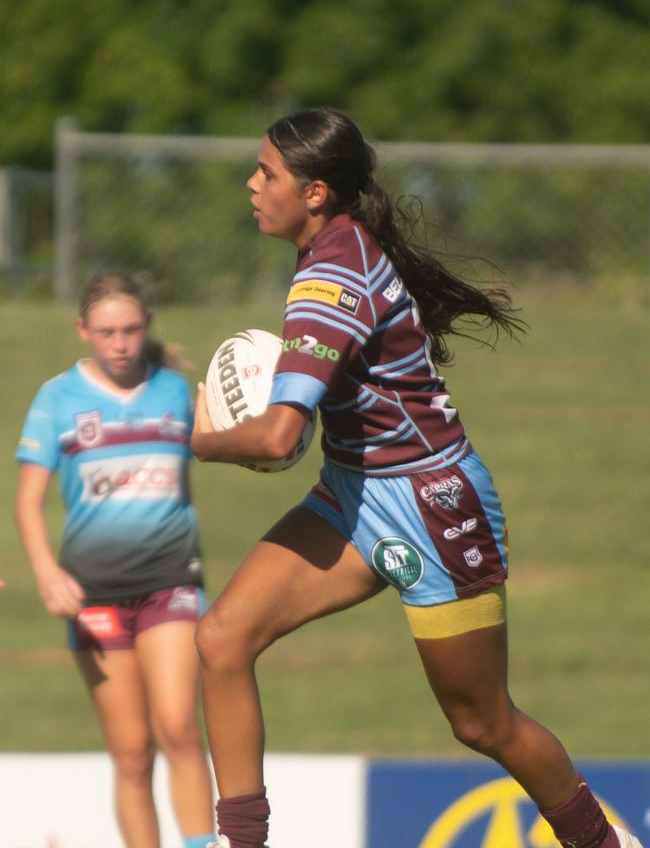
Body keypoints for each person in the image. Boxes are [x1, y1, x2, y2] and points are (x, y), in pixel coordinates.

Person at [190, 108, 642, 848]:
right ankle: (239, 843)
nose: (252, 183)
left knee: (482, 721)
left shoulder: (331, 276)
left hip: (434, 507)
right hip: (353, 491)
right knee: (222, 638)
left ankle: (605, 845)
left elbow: (276, 437)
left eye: (267, 172)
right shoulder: (332, 249)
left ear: (314, 193)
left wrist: (201, 440)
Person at [15, 272, 216, 848]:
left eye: (130, 330)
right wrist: (47, 574)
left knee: (178, 726)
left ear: (147, 326)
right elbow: (27, 504)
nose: (120, 343)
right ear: (83, 331)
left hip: (170, 582)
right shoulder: (57, 399)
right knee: (131, 753)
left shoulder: (179, 392)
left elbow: (229, 455)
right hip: (93, 592)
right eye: (106, 332)